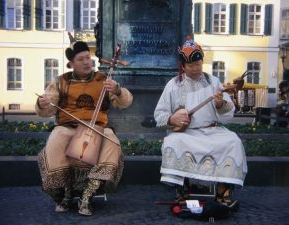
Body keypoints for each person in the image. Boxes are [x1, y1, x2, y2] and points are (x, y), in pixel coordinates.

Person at [36, 39, 133, 216]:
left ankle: (88, 195)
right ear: (71, 63)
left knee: (112, 143)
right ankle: (63, 194)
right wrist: (43, 103)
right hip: (68, 126)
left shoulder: (104, 80)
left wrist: (117, 90)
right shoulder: (61, 81)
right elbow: (46, 108)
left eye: (88, 57)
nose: (87, 62)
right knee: (55, 143)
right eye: (81, 59)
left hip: (97, 127)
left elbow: (125, 102)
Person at [154, 36, 248, 209]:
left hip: (211, 131)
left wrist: (220, 103)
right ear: (183, 66)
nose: (195, 69)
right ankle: (183, 191)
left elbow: (228, 110)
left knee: (233, 141)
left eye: (198, 64)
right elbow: (159, 114)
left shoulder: (214, 82)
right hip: (186, 133)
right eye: (190, 66)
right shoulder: (173, 85)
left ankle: (222, 192)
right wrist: (172, 118)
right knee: (172, 141)